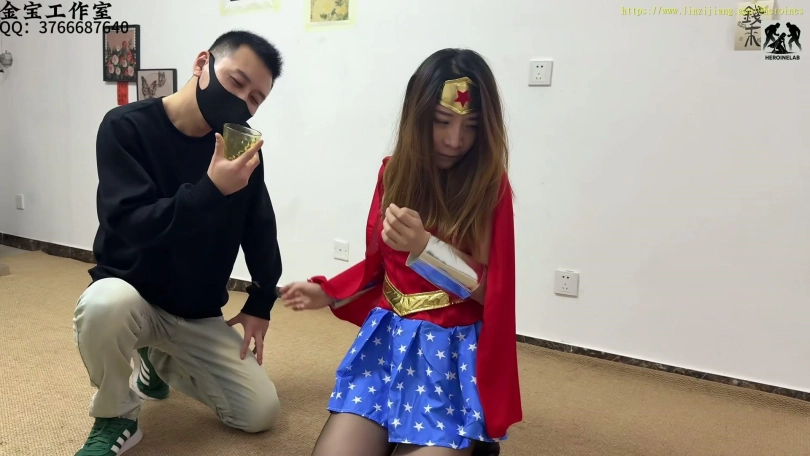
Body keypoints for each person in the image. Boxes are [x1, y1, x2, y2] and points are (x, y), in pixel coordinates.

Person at [280, 48, 522, 456]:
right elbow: (380, 266)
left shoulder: (489, 187)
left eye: (470, 126)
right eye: (442, 121)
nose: (454, 140)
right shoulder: (393, 173)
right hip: (388, 344)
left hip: (450, 355)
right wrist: (329, 291)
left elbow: (492, 292)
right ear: (418, 117)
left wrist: (426, 247)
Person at [72, 30, 284, 455]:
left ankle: (158, 360)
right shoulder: (125, 126)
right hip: (133, 294)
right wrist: (210, 190)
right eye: (236, 81)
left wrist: (262, 301)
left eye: (255, 99)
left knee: (259, 413)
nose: (241, 101)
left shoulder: (241, 146)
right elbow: (130, 224)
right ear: (202, 63)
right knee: (102, 305)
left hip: (196, 311)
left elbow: (259, 224)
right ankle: (116, 416)